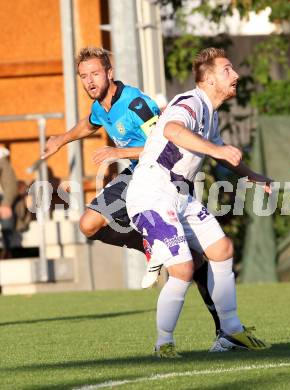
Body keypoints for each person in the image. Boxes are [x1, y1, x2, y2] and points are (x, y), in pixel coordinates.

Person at [42, 46, 224, 337]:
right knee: (88, 224)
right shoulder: (101, 106)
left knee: (196, 259)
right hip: (136, 176)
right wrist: (61, 140)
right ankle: (150, 244)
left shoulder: (136, 103)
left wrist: (119, 151)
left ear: (109, 73)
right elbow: (88, 124)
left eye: (95, 74)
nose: (89, 81)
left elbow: (166, 144)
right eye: (83, 76)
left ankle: (224, 327)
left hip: (162, 178)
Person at [126, 47, 272, 357]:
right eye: (227, 70)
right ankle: (163, 343)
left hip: (181, 195)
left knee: (222, 249)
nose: (235, 75)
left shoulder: (210, 113)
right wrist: (217, 152)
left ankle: (230, 331)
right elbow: (172, 130)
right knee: (183, 269)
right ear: (207, 80)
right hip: (152, 191)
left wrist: (253, 175)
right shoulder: (190, 103)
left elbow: (220, 150)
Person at [0, 147, 18, 259]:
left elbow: (11, 185)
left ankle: (7, 250)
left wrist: (6, 204)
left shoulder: (1, 161)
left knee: (6, 213)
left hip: (3, 199)